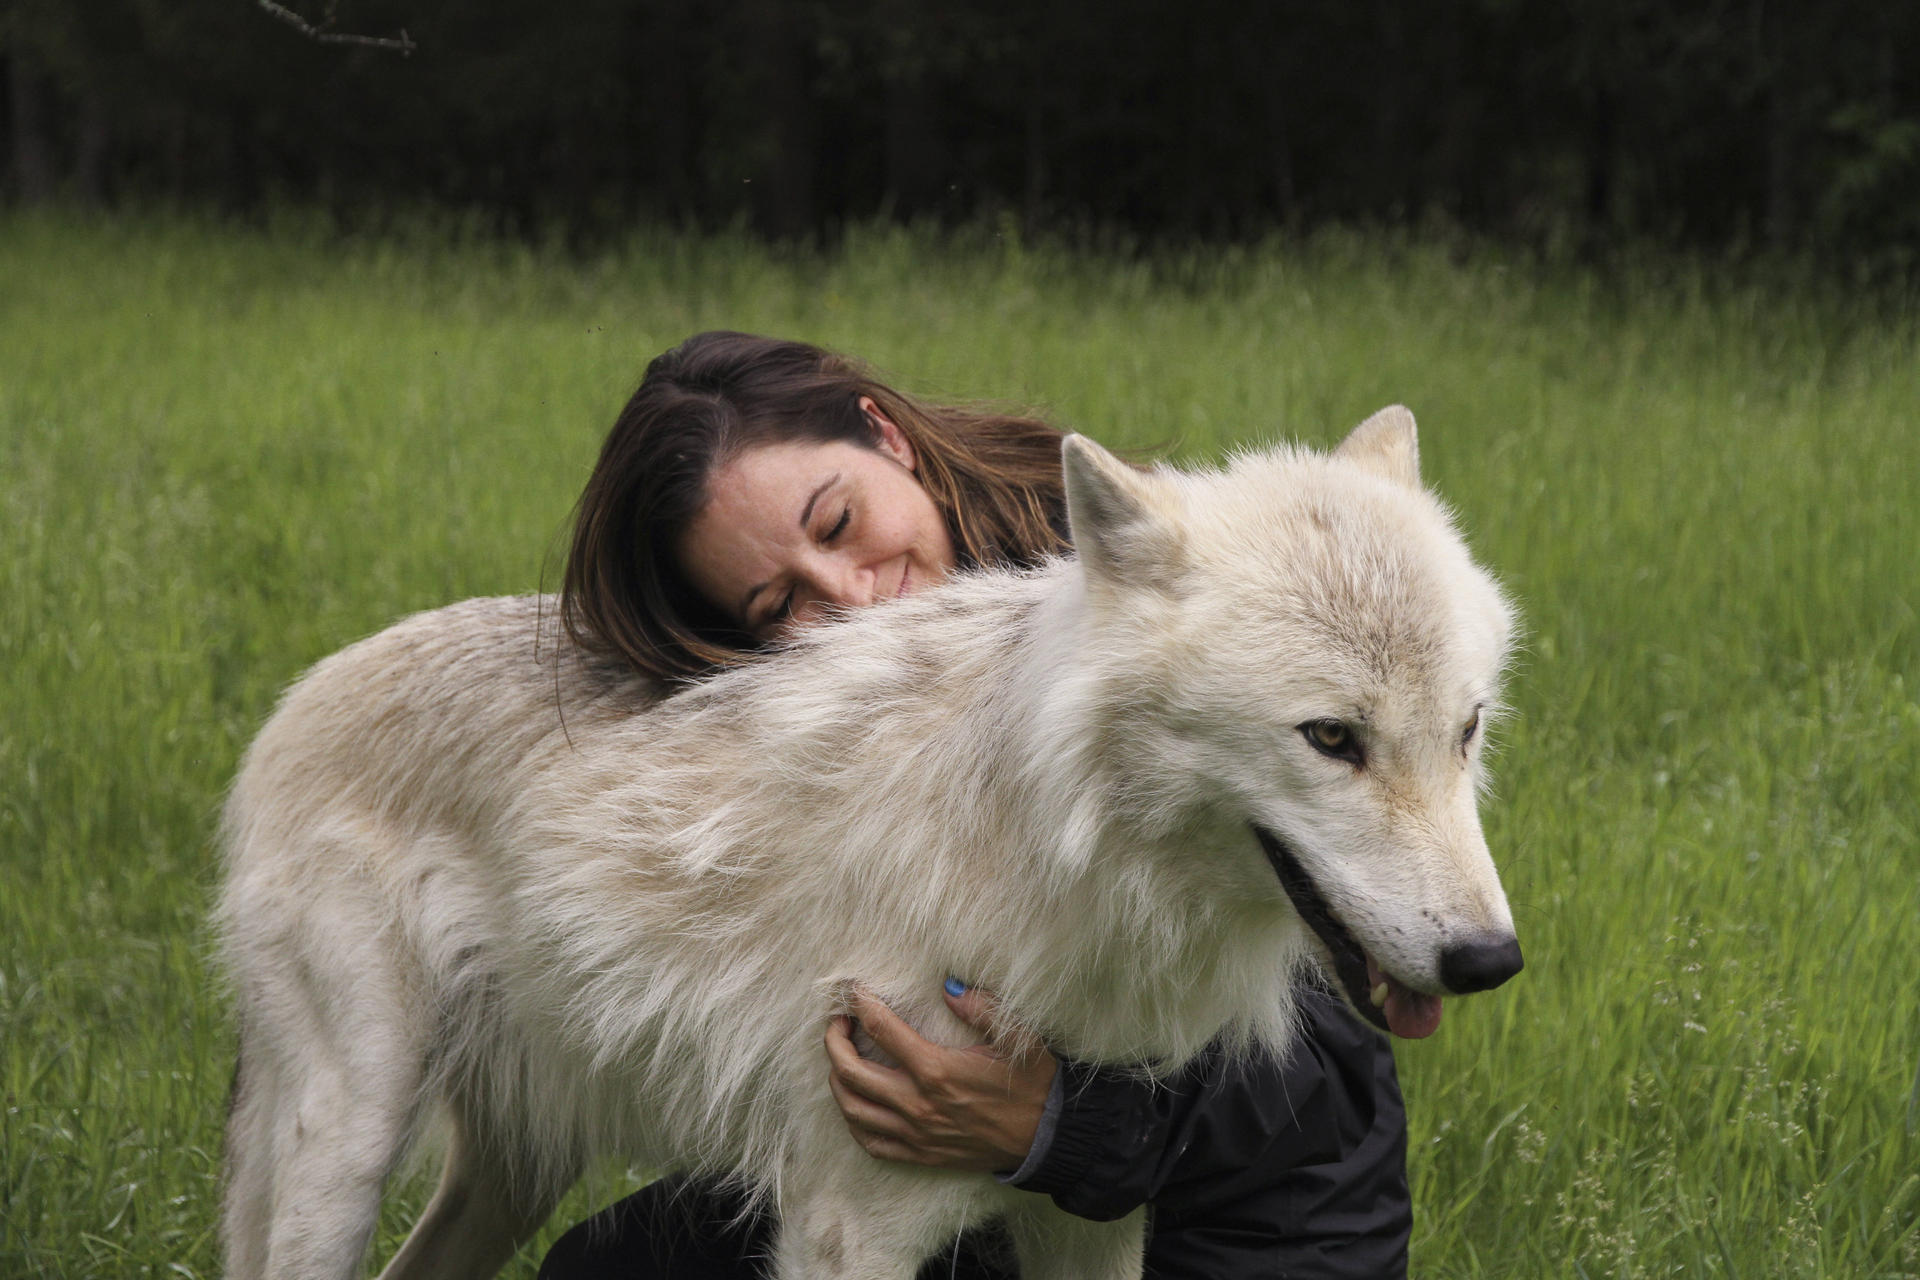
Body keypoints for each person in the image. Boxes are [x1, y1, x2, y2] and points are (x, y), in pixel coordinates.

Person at [539, 331, 1411, 1279]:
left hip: (1248, 1225)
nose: (849, 596)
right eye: (775, 602)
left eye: (835, 524)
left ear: (885, 434)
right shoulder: (829, 707)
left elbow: (1333, 1078)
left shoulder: (1159, 588)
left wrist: (1059, 1124)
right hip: (995, 1162)